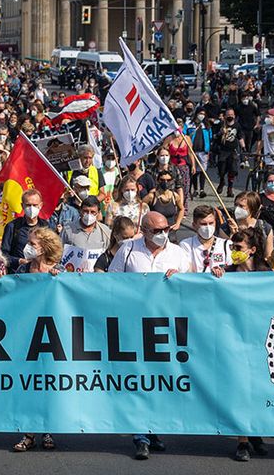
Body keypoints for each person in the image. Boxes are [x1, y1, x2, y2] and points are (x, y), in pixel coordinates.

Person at [108, 211, 191, 459]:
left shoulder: (177, 253)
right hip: (133, 325)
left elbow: (194, 285)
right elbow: (112, 281)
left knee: (160, 380)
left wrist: (181, 280)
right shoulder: (128, 249)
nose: (163, 234)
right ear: (143, 230)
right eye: (156, 231)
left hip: (167, 326)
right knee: (138, 379)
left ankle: (154, 429)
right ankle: (140, 435)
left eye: (166, 229)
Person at [11, 226, 64, 453]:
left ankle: (49, 429)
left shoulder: (59, 270)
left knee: (49, 382)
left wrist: (59, 281)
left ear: (45, 247)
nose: (27, 247)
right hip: (26, 333)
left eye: (33, 244)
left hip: (52, 334)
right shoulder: (23, 269)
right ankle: (29, 433)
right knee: (29, 383)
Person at [220, 226, 270, 462]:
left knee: (258, 391)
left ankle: (254, 433)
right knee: (240, 391)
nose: (234, 251)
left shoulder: (267, 274)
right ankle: (242, 442)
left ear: (252, 250)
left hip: (261, 344)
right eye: (232, 247)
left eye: (238, 248)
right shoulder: (227, 273)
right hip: (234, 343)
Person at [1, 189, 50, 271]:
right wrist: (19, 261)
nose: (31, 208)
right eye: (28, 205)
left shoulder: (46, 226)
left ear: (40, 205)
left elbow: (52, 252)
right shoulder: (12, 226)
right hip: (17, 275)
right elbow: (3, 255)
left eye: (34, 205)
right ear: (22, 205)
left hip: (39, 275)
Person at [62, 195, 109, 270]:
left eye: (93, 212)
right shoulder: (68, 230)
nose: (89, 215)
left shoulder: (105, 231)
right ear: (80, 211)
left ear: (98, 213)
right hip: (74, 276)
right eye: (85, 211)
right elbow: (59, 253)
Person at [180, 205, 229, 274]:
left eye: (211, 223)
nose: (208, 227)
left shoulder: (226, 244)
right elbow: (187, 270)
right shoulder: (186, 245)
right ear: (194, 225)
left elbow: (232, 270)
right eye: (203, 224)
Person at [212, 109, 244, 196]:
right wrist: (220, 133)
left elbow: (240, 137)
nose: (230, 116)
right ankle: (222, 181)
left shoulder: (237, 125)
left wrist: (243, 147)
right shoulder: (221, 124)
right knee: (221, 170)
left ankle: (230, 189)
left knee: (232, 170)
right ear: (225, 116)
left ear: (234, 116)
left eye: (232, 114)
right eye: (228, 114)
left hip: (233, 151)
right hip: (222, 151)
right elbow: (214, 136)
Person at [143, 171, 184, 236]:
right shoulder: (151, 196)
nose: (165, 182)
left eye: (168, 180)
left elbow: (181, 209)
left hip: (170, 231)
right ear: (158, 181)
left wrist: (178, 223)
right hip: (155, 231)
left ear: (172, 181)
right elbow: (140, 209)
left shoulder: (175, 196)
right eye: (162, 180)